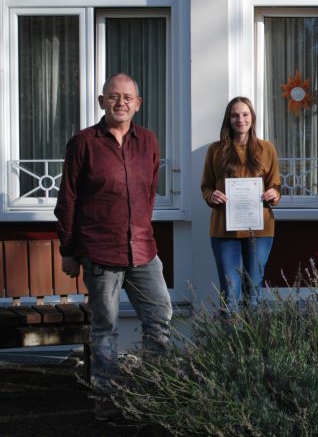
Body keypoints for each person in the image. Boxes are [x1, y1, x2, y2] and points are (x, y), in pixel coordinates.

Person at [55, 73, 172, 421]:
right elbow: (69, 198)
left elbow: (149, 191)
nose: (120, 102)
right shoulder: (83, 143)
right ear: (102, 101)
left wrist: (141, 228)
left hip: (142, 249)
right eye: (113, 96)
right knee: (106, 327)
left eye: (127, 97)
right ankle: (106, 396)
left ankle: (155, 390)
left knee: (160, 318)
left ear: (138, 104)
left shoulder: (148, 141)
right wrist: (68, 250)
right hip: (100, 251)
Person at [201, 97, 281, 309]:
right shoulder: (215, 150)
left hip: (260, 229)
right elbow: (206, 186)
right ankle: (230, 341)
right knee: (230, 293)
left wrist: (274, 194)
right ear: (228, 118)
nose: (240, 119)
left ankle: (251, 341)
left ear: (252, 118)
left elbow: (276, 186)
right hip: (224, 230)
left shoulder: (267, 149)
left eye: (245, 114)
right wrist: (212, 196)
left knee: (253, 292)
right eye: (235, 115)